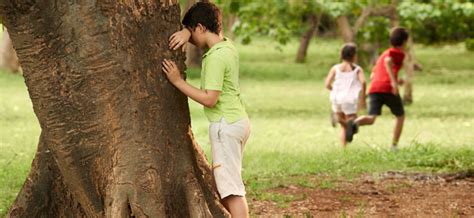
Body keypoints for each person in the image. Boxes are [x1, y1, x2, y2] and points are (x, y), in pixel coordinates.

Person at [161, 2, 250, 217]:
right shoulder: (227, 46)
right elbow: (204, 27)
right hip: (238, 121)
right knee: (229, 183)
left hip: (225, 126)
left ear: (200, 27)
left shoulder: (215, 58)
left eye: (192, 33)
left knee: (231, 191)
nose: (190, 40)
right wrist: (186, 30)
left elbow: (210, 99)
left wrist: (177, 81)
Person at [346, 27, 409, 151]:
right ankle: (394, 146)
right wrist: (394, 83)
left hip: (375, 88)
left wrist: (396, 80)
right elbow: (388, 61)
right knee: (400, 116)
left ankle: (354, 123)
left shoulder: (383, 54)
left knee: (371, 118)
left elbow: (373, 75)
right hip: (388, 88)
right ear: (404, 41)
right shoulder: (397, 53)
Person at [325, 43, 366, 147]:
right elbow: (364, 82)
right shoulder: (357, 69)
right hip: (349, 99)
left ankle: (344, 149)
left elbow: (327, 84)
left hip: (336, 98)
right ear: (354, 55)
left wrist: (334, 90)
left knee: (345, 126)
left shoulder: (335, 68)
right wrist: (363, 98)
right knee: (353, 123)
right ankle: (339, 120)